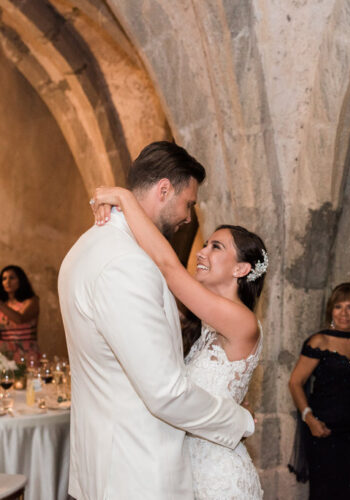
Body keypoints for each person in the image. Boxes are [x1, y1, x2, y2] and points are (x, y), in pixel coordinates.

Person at [58, 141, 256, 500]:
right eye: (189, 204)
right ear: (164, 189)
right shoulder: (127, 264)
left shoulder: (85, 247)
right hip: (137, 473)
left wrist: (122, 197)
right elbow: (165, 393)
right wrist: (240, 420)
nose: (189, 218)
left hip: (107, 467)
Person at [92, 185, 267, 499]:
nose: (202, 252)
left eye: (216, 247)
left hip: (221, 478)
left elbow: (169, 267)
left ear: (241, 269)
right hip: (191, 471)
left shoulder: (243, 321)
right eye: (206, 244)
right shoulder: (209, 326)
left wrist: (125, 198)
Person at [288, 283, 350, 500]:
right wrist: (309, 419)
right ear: (331, 310)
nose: (344, 313)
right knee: (326, 492)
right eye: (338, 306)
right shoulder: (319, 341)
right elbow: (295, 382)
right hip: (325, 430)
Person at [0, 265, 40, 363]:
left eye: (12, 278)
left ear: (21, 280)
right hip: (5, 354)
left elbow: (20, 319)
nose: (7, 282)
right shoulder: (3, 304)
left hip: (26, 353)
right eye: (4, 278)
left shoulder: (31, 301)